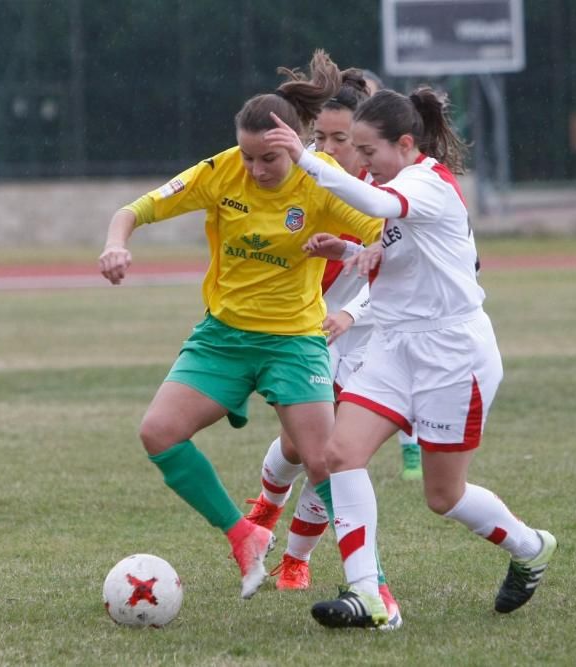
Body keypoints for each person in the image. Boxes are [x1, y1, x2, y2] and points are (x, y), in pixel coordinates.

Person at [98, 50, 385, 602]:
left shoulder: (322, 185)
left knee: (329, 465)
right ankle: (244, 535)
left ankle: (372, 587)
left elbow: (383, 230)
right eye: (248, 157)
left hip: (295, 343)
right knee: (158, 433)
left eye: (268, 160)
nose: (254, 170)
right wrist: (116, 245)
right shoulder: (221, 170)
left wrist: (361, 250)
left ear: (294, 146)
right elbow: (134, 210)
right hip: (223, 338)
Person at [264, 87, 558, 628]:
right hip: (395, 347)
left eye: (366, 150)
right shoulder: (394, 183)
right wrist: (350, 252)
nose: (361, 162)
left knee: (443, 496)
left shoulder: (425, 182)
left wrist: (305, 158)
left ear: (404, 144)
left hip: (452, 354)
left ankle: (530, 546)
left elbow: (377, 207)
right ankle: (370, 598)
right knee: (336, 454)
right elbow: (405, 260)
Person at [244, 71, 416, 610]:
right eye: (321, 138)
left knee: (330, 453)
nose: (328, 148)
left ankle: (296, 559)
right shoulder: (306, 182)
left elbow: (397, 266)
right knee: (300, 446)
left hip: (369, 335)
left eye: (340, 140)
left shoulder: (387, 194)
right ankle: (266, 511)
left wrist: (351, 309)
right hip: (312, 330)